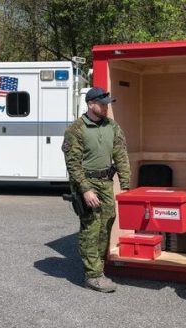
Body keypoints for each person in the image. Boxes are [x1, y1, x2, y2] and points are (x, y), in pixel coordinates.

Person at [62, 87, 130, 293]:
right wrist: (85, 190)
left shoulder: (112, 126)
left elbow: (121, 155)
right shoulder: (76, 129)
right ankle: (92, 275)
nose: (106, 107)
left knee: (107, 223)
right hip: (88, 184)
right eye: (102, 104)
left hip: (106, 183)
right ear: (91, 104)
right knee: (91, 227)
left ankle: (99, 267)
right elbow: (72, 164)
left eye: (107, 103)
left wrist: (126, 185)